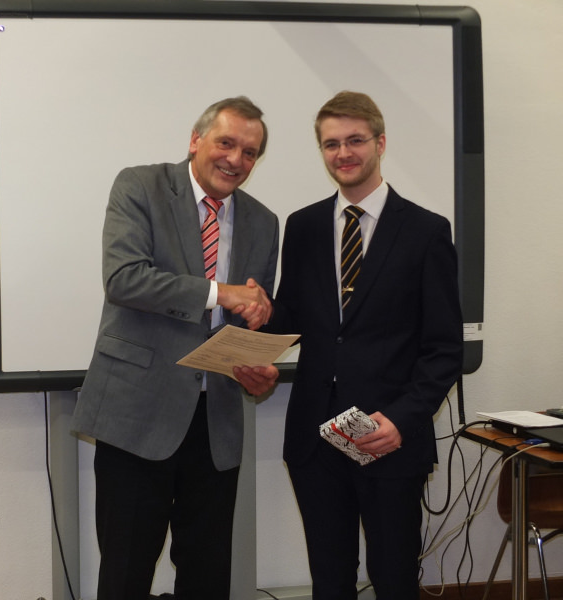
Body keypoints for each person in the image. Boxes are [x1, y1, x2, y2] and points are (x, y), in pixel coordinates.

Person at [72, 96, 280, 600]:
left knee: (207, 578)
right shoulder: (140, 186)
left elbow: (248, 319)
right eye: (226, 143)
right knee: (125, 574)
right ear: (195, 140)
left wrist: (259, 367)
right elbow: (124, 279)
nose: (235, 159)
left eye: (250, 152)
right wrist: (219, 293)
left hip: (216, 423)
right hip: (137, 414)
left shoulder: (264, 222)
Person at [267, 91, 463, 599]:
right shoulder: (303, 226)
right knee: (329, 579)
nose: (343, 153)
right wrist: (255, 318)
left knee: (394, 578)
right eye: (331, 144)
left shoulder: (426, 231)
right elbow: (291, 319)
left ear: (380, 143)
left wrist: (401, 420)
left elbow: (444, 349)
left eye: (355, 140)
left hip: (387, 437)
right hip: (314, 438)